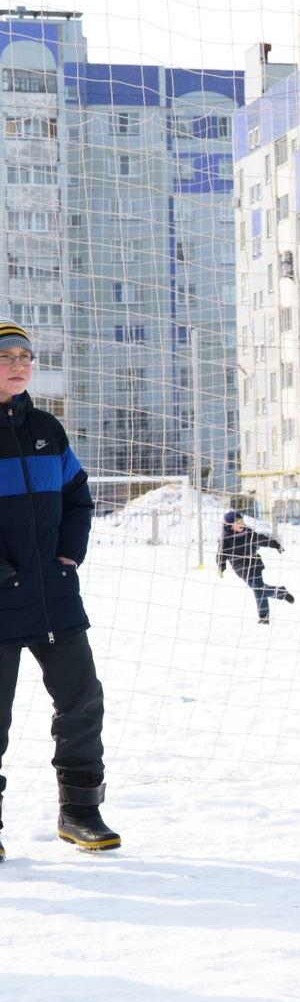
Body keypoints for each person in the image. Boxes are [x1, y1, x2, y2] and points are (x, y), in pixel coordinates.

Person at [0, 320, 115, 854]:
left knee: (81, 703)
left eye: (26, 355)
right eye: (7, 355)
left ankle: (81, 813)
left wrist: (68, 554)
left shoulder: (48, 427)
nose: (19, 363)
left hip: (54, 597)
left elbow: (78, 496)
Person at [217, 510, 294, 624]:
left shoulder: (249, 534)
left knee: (258, 589)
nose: (241, 524)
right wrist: (221, 566)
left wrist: (276, 545)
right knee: (260, 589)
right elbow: (221, 554)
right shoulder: (226, 539)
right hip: (241, 569)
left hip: (254, 565)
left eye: (241, 521)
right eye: (237, 522)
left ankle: (264, 617)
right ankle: (281, 592)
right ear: (230, 525)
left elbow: (263, 540)